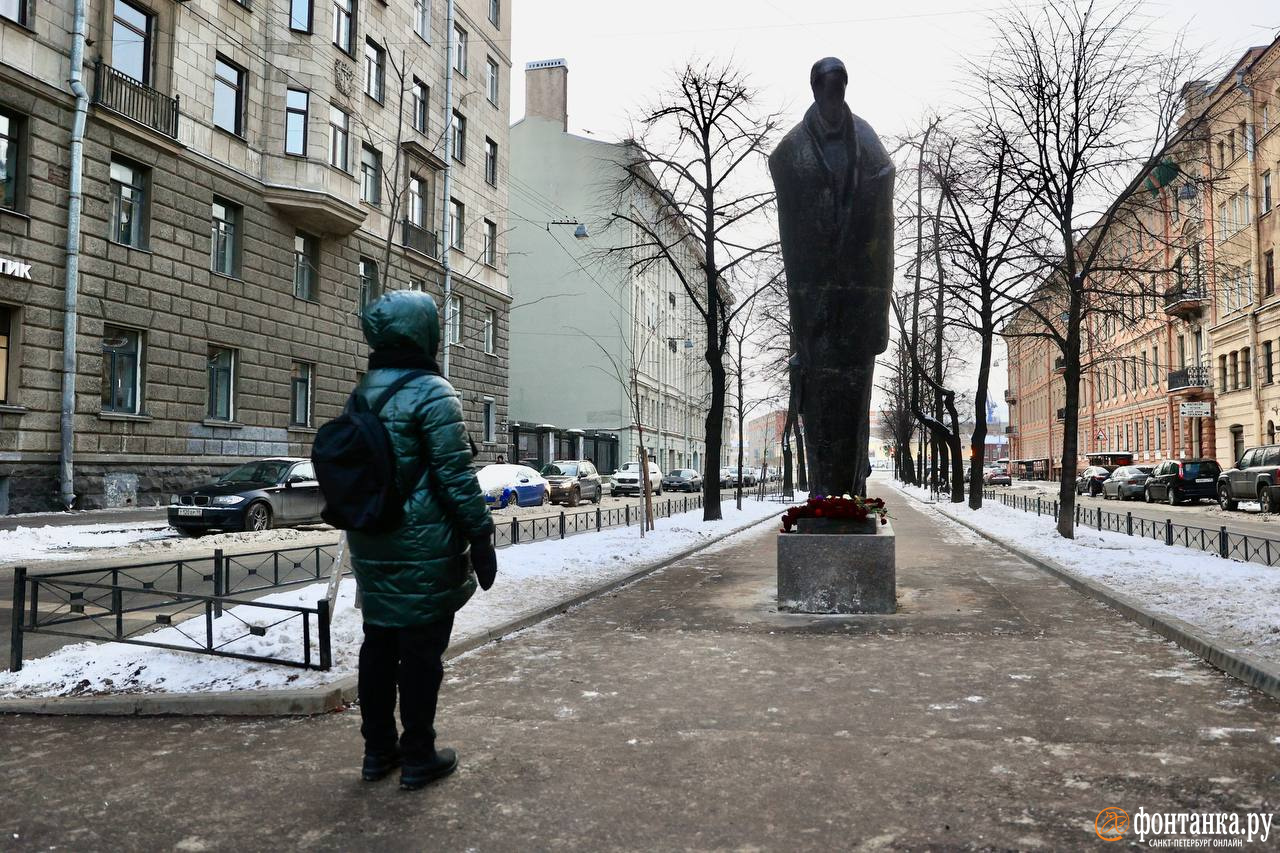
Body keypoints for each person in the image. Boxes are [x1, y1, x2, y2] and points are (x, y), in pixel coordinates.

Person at [347, 290, 498, 791]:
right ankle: (418, 755)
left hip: (371, 540)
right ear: (425, 333)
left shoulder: (364, 390)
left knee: (378, 645)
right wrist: (480, 534)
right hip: (423, 544)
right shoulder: (433, 391)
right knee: (419, 655)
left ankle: (377, 753)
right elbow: (455, 476)